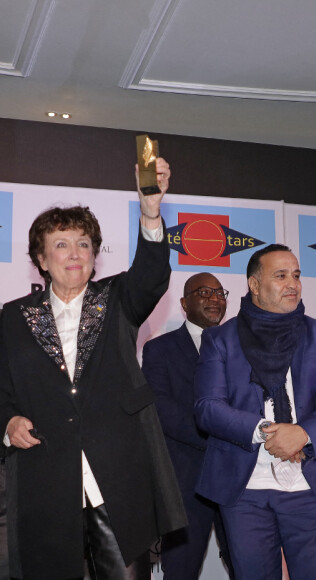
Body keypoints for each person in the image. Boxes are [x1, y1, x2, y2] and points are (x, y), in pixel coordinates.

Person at [0, 159, 187, 580]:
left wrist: (152, 212)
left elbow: (153, 275)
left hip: (117, 481)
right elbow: (1, 388)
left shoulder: (118, 298)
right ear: (41, 259)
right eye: (61, 244)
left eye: (83, 243)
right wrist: (8, 420)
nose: (74, 253)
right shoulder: (13, 317)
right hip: (45, 480)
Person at [193, 243, 316, 580]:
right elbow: (208, 408)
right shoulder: (220, 339)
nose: (292, 283)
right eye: (280, 276)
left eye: (296, 275)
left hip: (311, 488)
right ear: (254, 285)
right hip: (245, 491)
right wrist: (266, 430)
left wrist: (302, 433)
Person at [142, 272, 234, 579]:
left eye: (220, 293)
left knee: (252, 569)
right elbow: (161, 409)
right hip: (185, 484)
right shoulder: (160, 349)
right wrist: (217, 440)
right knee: (181, 571)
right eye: (204, 293)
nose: (214, 299)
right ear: (184, 303)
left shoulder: (242, 348)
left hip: (239, 481)